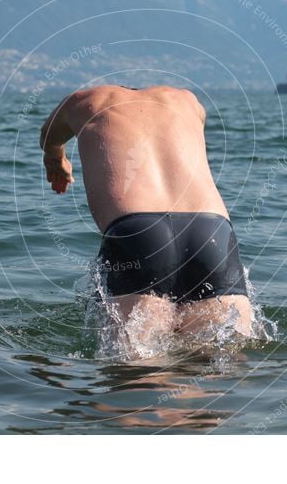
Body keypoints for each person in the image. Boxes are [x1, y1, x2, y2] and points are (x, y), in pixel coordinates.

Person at [40, 85, 255, 355]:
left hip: (138, 232)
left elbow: (48, 135)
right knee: (216, 367)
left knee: (136, 379)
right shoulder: (188, 101)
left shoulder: (85, 100)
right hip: (212, 232)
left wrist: (55, 159)